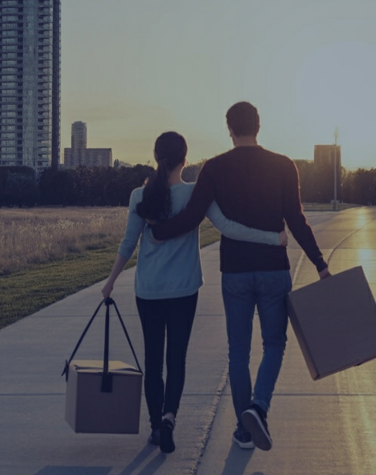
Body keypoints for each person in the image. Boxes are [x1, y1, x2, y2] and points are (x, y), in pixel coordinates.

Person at [150, 102, 329, 452]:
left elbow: (192, 217)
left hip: (235, 273)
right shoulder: (283, 166)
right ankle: (258, 407)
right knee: (275, 344)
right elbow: (296, 219)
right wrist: (320, 264)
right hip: (275, 270)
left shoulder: (215, 168)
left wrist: (158, 231)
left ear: (228, 129)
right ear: (258, 126)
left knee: (238, 353)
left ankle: (245, 430)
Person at [102, 131, 284, 455]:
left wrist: (110, 281)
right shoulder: (195, 194)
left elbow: (128, 245)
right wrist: (271, 237)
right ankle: (170, 417)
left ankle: (157, 426)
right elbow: (227, 227)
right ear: (185, 159)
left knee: (153, 359)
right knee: (177, 359)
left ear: (156, 157)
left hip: (149, 291)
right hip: (184, 290)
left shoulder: (138, 196)